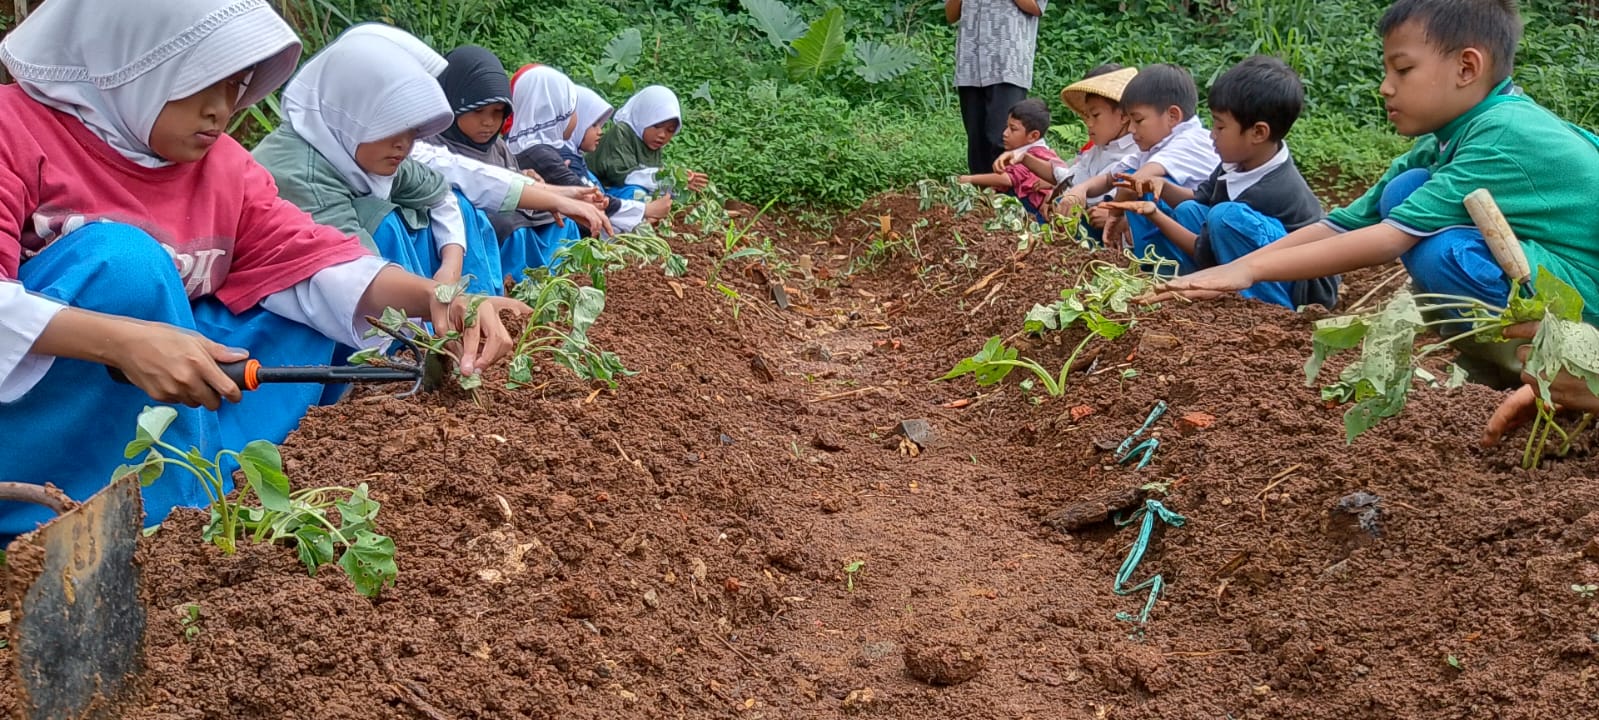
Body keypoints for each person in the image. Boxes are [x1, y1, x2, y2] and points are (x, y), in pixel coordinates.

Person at [0, 0, 525, 537]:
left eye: (235, 85)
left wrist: (443, 299)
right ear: (131, 60)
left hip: (171, 403)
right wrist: (119, 341)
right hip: (50, 420)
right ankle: (72, 516)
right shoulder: (14, 130)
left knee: (303, 311)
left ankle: (209, 489)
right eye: (201, 82)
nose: (221, 109)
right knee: (125, 265)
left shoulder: (225, 167)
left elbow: (309, 257)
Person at [1145, 0, 1599, 381]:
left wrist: (1245, 274)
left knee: (1440, 251)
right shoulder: (1448, 138)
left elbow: (1388, 239)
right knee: (1404, 190)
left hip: (1587, 300)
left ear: (1466, 67)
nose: (1385, 87)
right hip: (1558, 278)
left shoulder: (1500, 134)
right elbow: (1342, 223)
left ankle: (1543, 372)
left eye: (1402, 69)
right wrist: (1237, 267)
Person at [252, 31, 505, 297]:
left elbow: (440, 193)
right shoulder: (304, 174)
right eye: (390, 125)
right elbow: (361, 277)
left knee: (462, 206)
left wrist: (451, 268)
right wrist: (440, 300)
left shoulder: (361, 149)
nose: (405, 144)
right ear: (351, 110)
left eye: (413, 130)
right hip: (274, 301)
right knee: (385, 222)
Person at [1100, 56, 1336, 309]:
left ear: (1258, 133)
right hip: (1249, 253)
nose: (1211, 135)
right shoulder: (1235, 164)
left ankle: (1268, 311)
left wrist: (1156, 215)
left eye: (1220, 127)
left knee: (1225, 217)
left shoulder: (1271, 189)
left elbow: (1202, 246)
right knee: (1187, 208)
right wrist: (1160, 186)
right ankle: (1177, 285)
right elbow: (1198, 201)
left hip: (1301, 285)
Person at [412, 48, 612, 278]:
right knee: (504, 225)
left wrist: (532, 181)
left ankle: (558, 281)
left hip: (513, 208)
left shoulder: (498, 146)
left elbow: (506, 177)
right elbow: (477, 179)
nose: (488, 122)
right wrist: (552, 196)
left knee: (558, 222)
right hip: (463, 242)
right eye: (478, 111)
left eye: (497, 112)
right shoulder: (430, 146)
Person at [1050, 64, 1221, 251]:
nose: (1131, 129)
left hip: (1203, 233)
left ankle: (1159, 265)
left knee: (1145, 187)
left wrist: (1116, 213)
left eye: (1138, 121)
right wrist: (1081, 189)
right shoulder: (1152, 148)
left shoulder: (1190, 140)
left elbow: (1136, 180)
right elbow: (1110, 178)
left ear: (1172, 116)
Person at [505, 67, 650, 236]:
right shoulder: (539, 154)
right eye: (572, 109)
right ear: (555, 111)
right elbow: (585, 196)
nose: (575, 116)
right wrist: (646, 210)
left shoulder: (522, 146)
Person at [999, 64, 1138, 235]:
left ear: (1123, 116)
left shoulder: (1134, 154)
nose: (1089, 123)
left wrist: (1112, 214)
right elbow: (1069, 177)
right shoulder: (1098, 149)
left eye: (1095, 116)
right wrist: (1024, 158)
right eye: (1086, 116)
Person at [946, 0, 1047, 176]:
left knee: (1004, 138)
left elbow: (1036, 7)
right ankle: (982, 197)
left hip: (1007, 64)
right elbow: (951, 14)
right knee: (977, 142)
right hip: (970, 66)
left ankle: (1007, 197)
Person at [587, 85, 708, 202]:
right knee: (638, 194)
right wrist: (669, 178)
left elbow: (650, 181)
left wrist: (679, 185)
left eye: (670, 131)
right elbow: (624, 178)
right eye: (656, 126)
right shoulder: (622, 133)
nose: (662, 135)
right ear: (643, 118)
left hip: (619, 194)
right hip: (594, 191)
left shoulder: (652, 143)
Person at [957, 98, 1059, 219]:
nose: (1005, 133)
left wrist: (969, 179)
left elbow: (1008, 179)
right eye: (1007, 127)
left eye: (1013, 129)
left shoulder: (1038, 154)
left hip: (1034, 216)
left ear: (1033, 136)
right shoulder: (1019, 151)